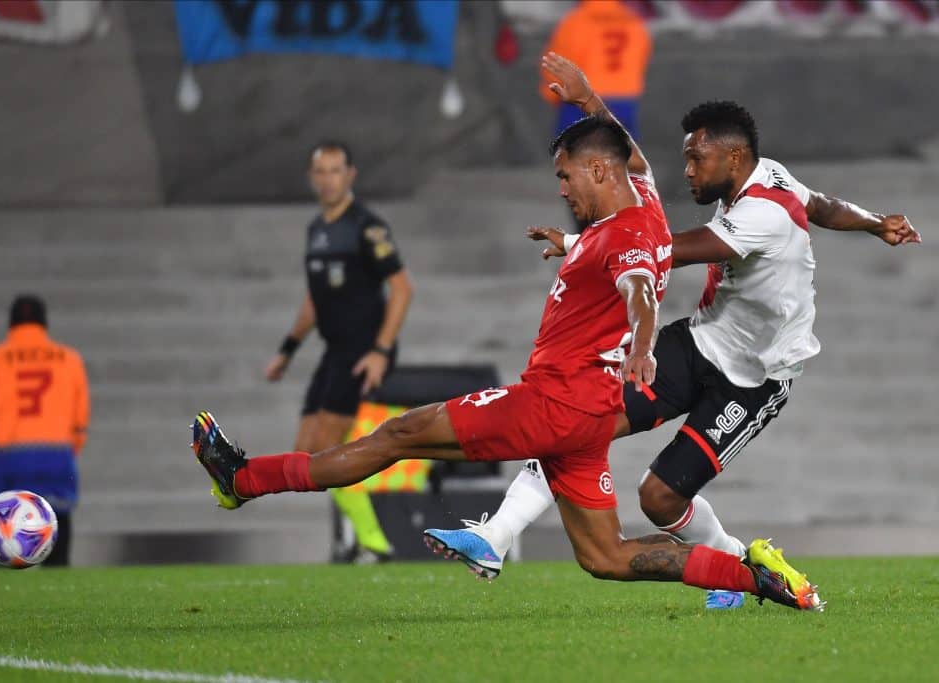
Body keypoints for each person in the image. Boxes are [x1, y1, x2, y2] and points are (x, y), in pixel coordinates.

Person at [192, 115, 823, 611]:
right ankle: (755, 577)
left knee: (398, 434)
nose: (562, 187)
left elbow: (636, 289)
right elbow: (633, 161)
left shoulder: (629, 235)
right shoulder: (644, 214)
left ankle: (244, 480)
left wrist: (642, 339)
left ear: (598, 170)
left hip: (553, 403)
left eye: (566, 175)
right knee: (605, 557)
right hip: (587, 417)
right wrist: (585, 104)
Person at [425, 53, 920, 609]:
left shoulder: (763, 214)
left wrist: (580, 245)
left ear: (733, 156)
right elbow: (823, 205)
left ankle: (733, 567)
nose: (687, 171)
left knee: (659, 498)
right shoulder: (770, 174)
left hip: (754, 379)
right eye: (686, 158)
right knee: (577, 422)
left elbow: (668, 252)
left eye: (697, 159)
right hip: (699, 342)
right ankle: (494, 536)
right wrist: (878, 223)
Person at [263, 141, 414, 563]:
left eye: (335, 170)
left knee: (326, 451)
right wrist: (287, 350)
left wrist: (381, 350)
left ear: (350, 175)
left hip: (362, 350)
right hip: (334, 351)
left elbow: (402, 288)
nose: (328, 179)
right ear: (313, 178)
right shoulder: (317, 230)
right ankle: (365, 539)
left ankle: (370, 543)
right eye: (321, 171)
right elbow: (315, 300)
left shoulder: (367, 227)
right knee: (308, 452)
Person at [0, 295, 90, 567]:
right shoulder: (69, 360)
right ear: (44, 323)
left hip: (5, 456)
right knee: (57, 523)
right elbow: (79, 425)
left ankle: (3, 597)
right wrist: (67, 452)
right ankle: (58, 588)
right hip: (56, 454)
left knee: (3, 532)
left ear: (11, 324)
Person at [540, 0, 651, 139]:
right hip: (623, 100)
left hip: (581, 99)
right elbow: (640, 58)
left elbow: (557, 62)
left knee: (574, 154)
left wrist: (554, 93)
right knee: (620, 154)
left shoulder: (576, 21)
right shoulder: (634, 22)